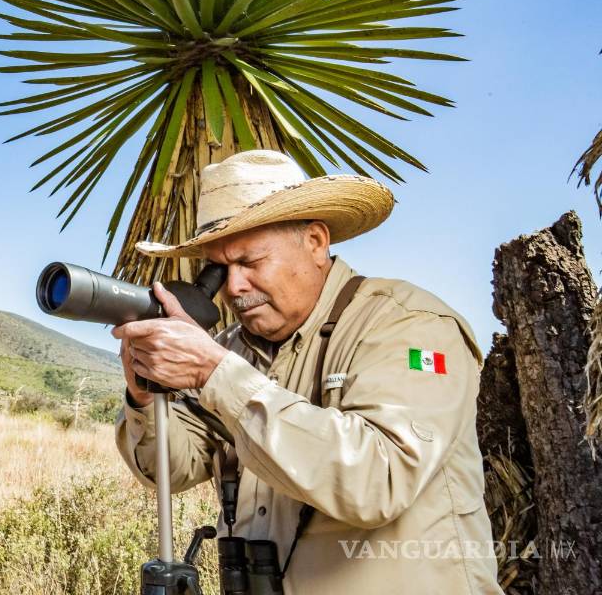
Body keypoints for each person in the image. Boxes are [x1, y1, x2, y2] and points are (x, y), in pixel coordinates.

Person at [113, 149, 503, 594]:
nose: (234, 287)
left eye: (250, 262)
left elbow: (379, 481)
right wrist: (144, 394)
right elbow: (171, 471)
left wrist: (216, 375)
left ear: (316, 242)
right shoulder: (229, 351)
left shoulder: (409, 324)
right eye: (221, 270)